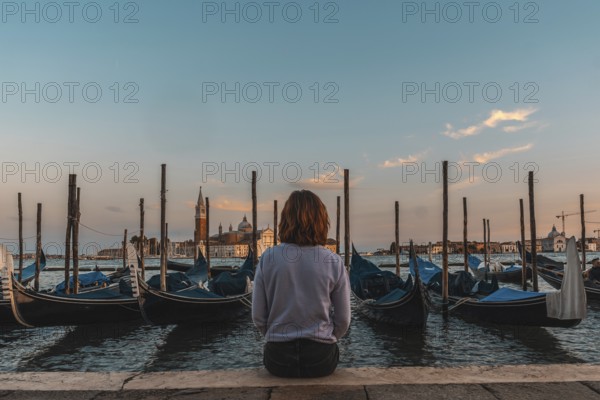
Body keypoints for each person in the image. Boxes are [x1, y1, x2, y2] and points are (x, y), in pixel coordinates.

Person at [252, 190, 351, 378]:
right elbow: (343, 321)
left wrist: (274, 336)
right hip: (320, 360)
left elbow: (258, 317)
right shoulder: (334, 261)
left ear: (285, 220)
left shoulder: (268, 259)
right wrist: (327, 338)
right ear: (321, 221)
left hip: (278, 359)